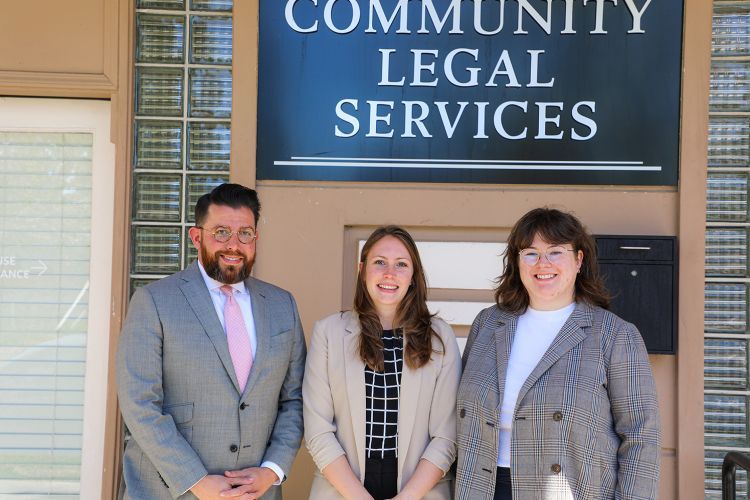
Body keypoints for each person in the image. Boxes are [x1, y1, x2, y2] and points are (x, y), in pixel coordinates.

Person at [455, 208, 661, 500]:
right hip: (481, 488)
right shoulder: (488, 324)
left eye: (555, 252)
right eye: (530, 253)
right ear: (517, 262)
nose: (543, 263)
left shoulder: (614, 335)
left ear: (579, 260)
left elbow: (641, 436)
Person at [117, 183, 306, 499]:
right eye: (221, 232)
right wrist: (195, 479)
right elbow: (140, 404)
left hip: (255, 493)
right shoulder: (154, 301)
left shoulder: (282, 305)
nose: (234, 244)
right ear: (196, 237)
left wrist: (272, 470)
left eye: (245, 233)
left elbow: (295, 399)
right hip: (170, 490)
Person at [303, 225, 461, 500]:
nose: (390, 273)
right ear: (362, 269)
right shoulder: (328, 332)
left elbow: (447, 436)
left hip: (419, 490)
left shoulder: (440, 336)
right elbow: (318, 431)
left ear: (413, 276)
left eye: (401, 264)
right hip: (342, 489)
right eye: (380, 262)